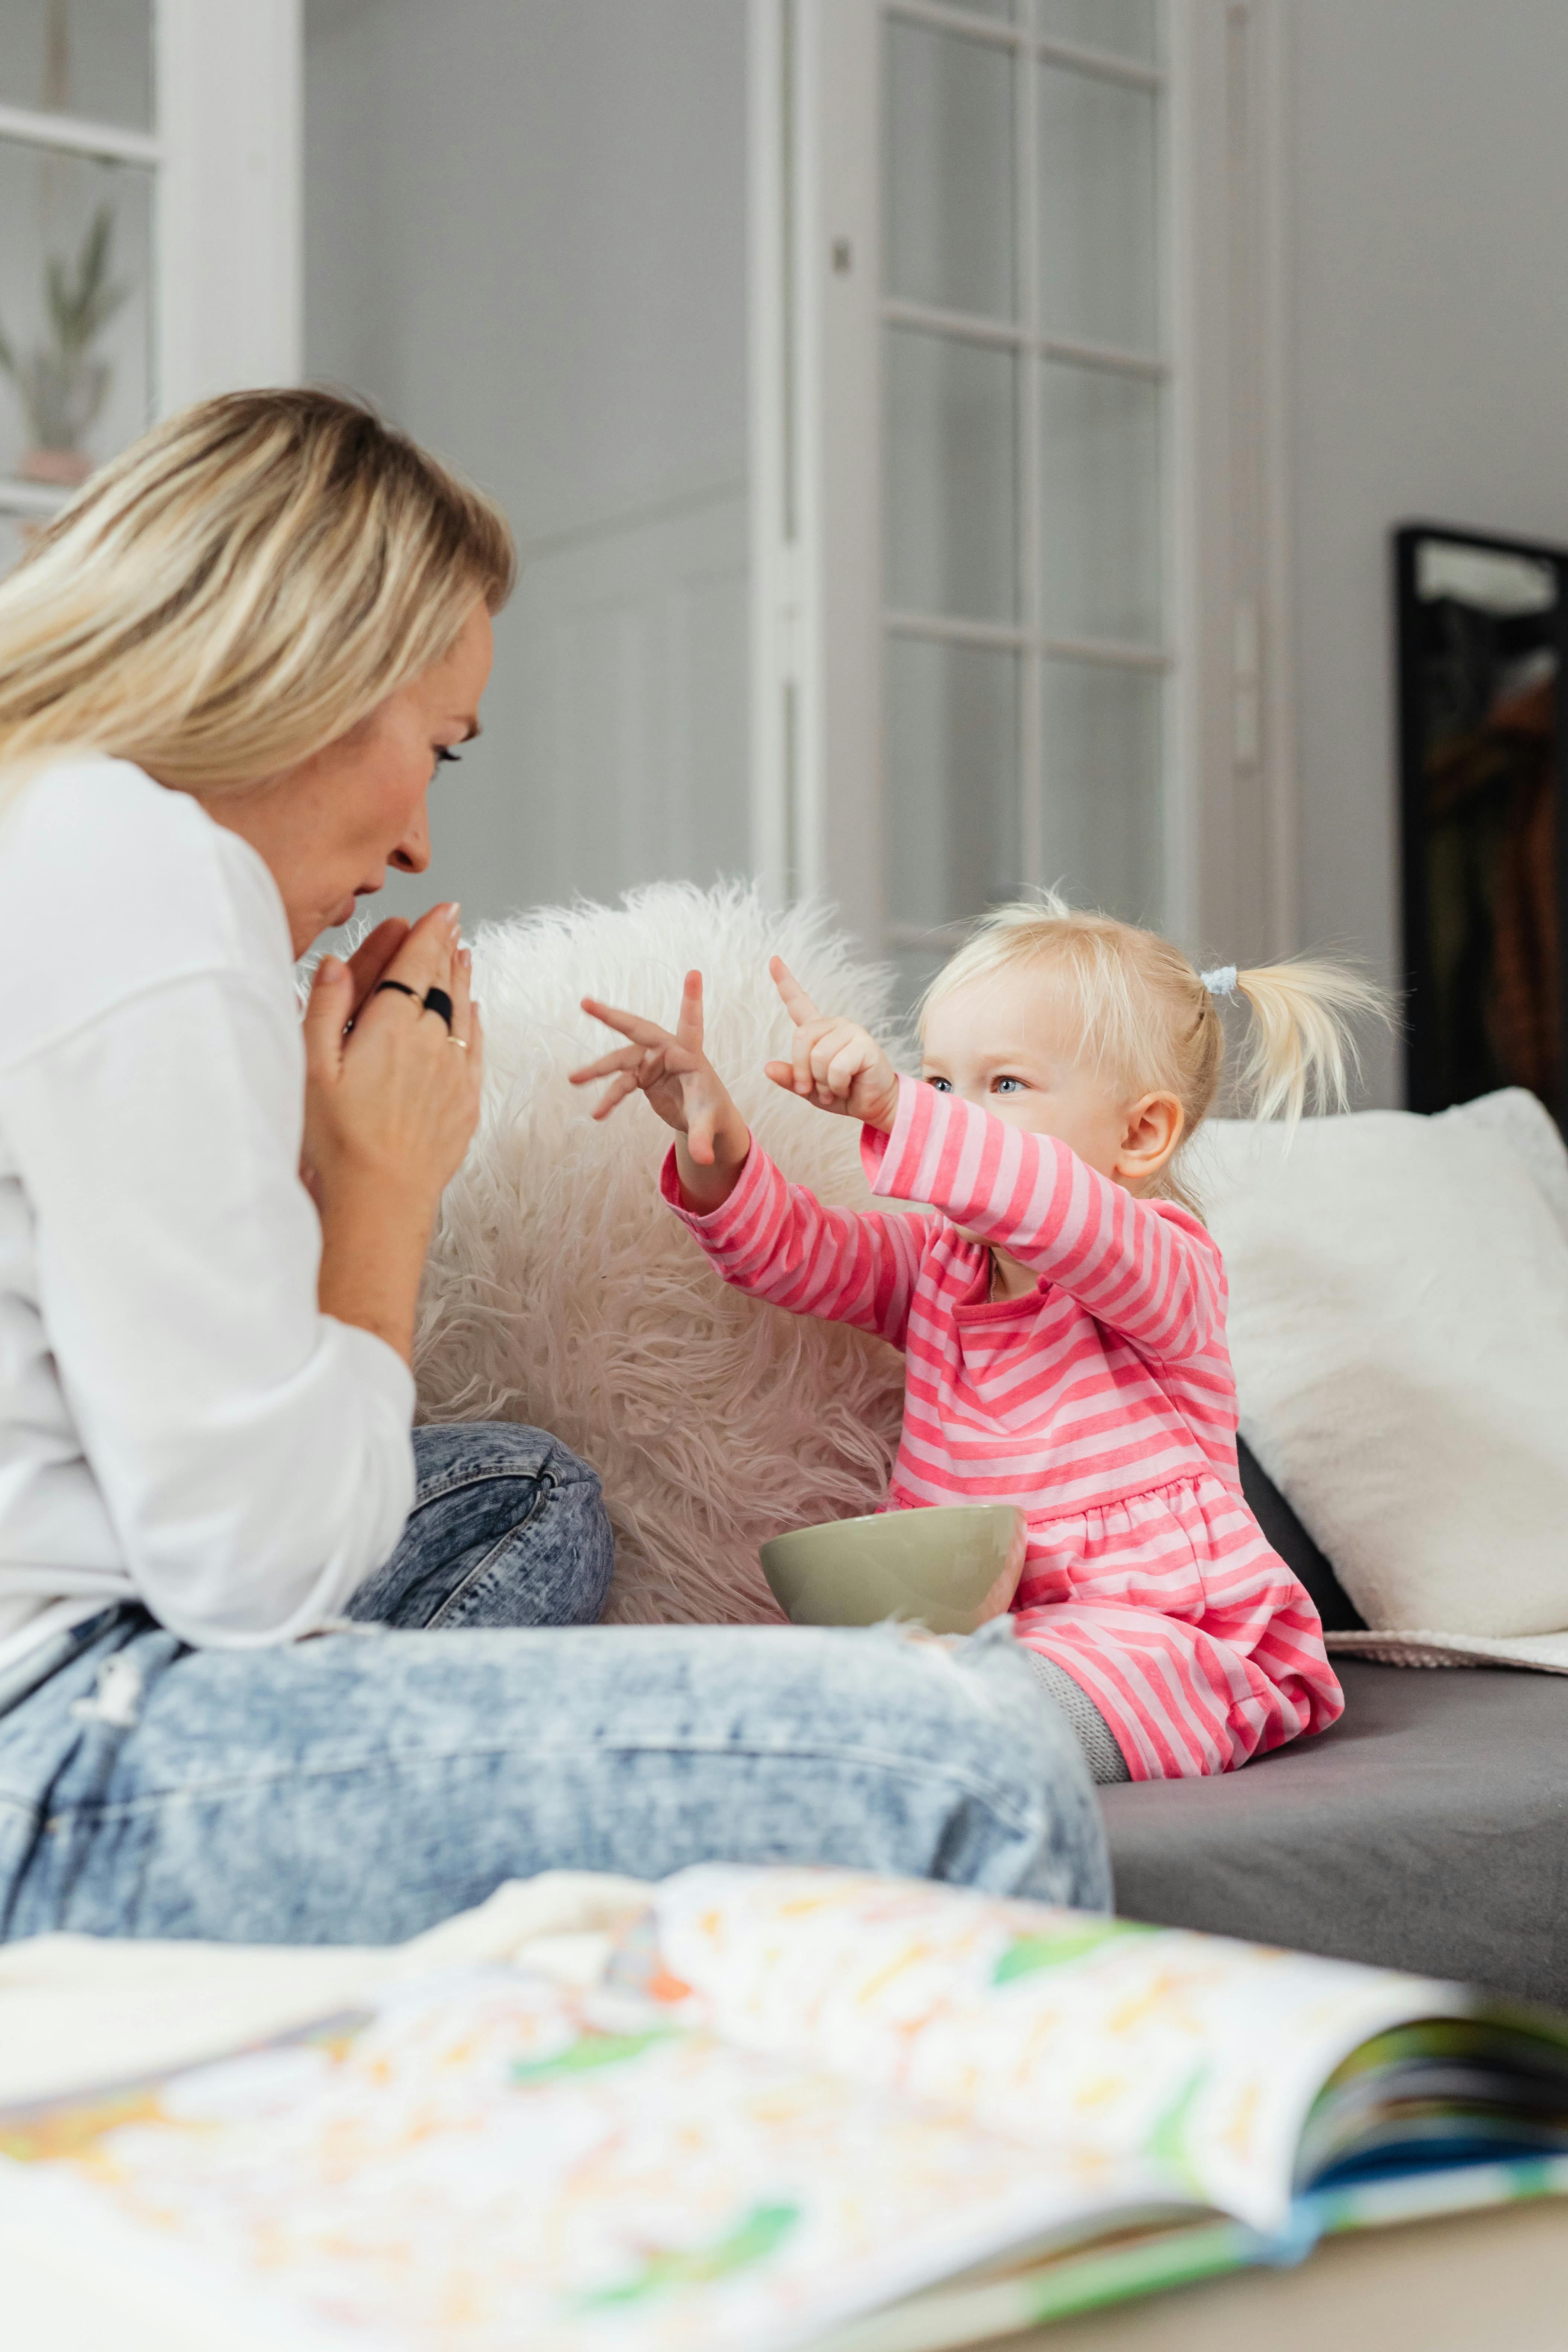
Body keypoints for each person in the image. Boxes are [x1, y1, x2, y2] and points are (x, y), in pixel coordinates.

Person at [0, 390, 1107, 1944]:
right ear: (308, 673)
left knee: (522, 1490)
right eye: (436, 745)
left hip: (85, 1628)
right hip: (51, 1755)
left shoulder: (47, 823)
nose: (419, 847)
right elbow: (253, 1586)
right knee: (978, 1757)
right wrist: (380, 1188)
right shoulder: (149, 874)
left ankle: (406, 1867)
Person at [574, 902, 1388, 1784]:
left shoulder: (1162, 1266)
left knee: (1034, 1691)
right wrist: (715, 1140)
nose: (952, 1114)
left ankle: (950, 1743)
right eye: (939, 1084)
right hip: (973, 1629)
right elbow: (796, 1252)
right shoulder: (938, 1266)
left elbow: (1055, 1208)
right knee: (830, 1684)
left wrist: (899, 1109)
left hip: (1163, 1632)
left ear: (1141, 1133)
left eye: (1004, 1085)